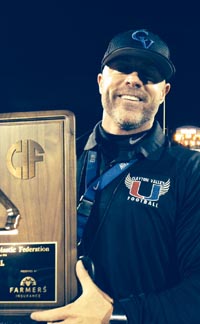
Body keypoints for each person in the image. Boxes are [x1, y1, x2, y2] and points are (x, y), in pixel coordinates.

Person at [30, 29, 200, 323]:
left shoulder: (190, 171)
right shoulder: (56, 162)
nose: (134, 79)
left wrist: (117, 315)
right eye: (122, 67)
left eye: (150, 72)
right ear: (100, 82)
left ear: (164, 92)